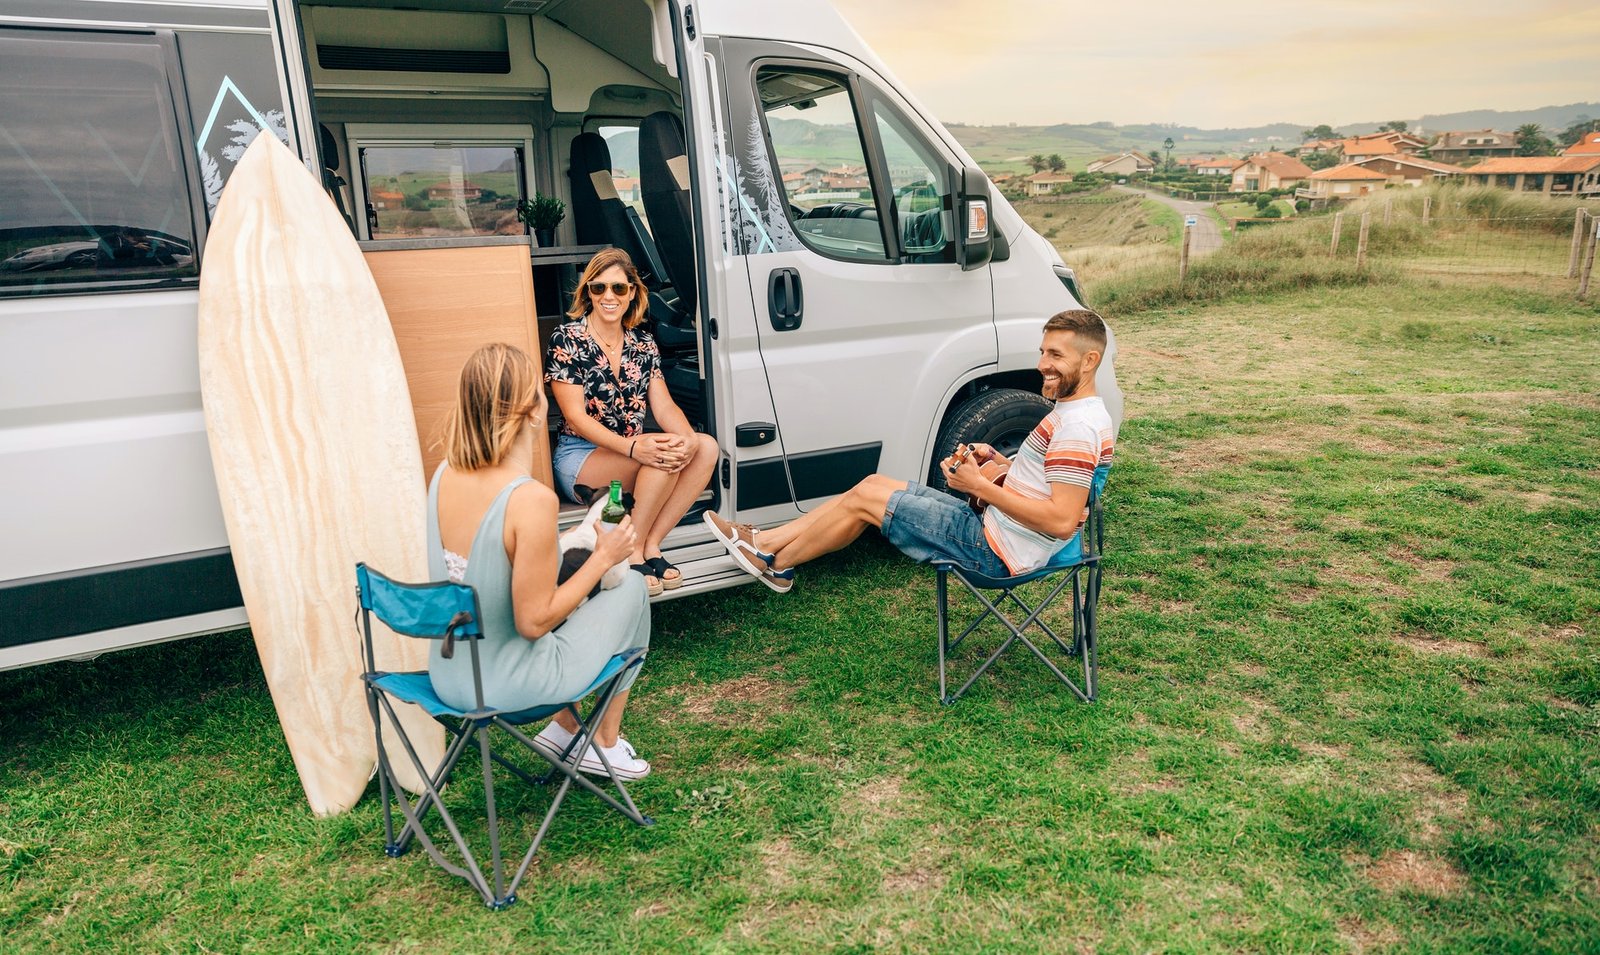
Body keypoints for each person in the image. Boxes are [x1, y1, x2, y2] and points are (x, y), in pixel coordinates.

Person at [705, 309, 1115, 592]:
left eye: (1056, 355)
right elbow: (1052, 482)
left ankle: (769, 552)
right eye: (1043, 351)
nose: (1043, 363)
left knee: (868, 499)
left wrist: (980, 486)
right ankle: (771, 553)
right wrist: (999, 462)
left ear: (1090, 359)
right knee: (872, 483)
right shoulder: (1077, 414)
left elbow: (1061, 521)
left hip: (996, 552)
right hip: (997, 528)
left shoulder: (1076, 428)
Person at [429, 342, 653, 779]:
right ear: (534, 411)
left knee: (590, 577)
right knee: (631, 589)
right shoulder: (530, 499)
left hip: (451, 673)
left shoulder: (444, 475)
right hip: (510, 685)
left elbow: (488, 561)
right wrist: (602, 556)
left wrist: (564, 541)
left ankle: (564, 731)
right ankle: (600, 742)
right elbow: (533, 622)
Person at [546, 247, 719, 597]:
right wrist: (634, 447)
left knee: (705, 447)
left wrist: (686, 437)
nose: (609, 296)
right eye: (599, 288)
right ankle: (633, 551)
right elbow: (575, 419)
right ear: (588, 293)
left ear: (633, 293)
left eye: (619, 289)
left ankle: (651, 543)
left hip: (632, 450)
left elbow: (664, 404)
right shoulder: (567, 339)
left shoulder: (643, 343)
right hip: (581, 455)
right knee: (658, 457)